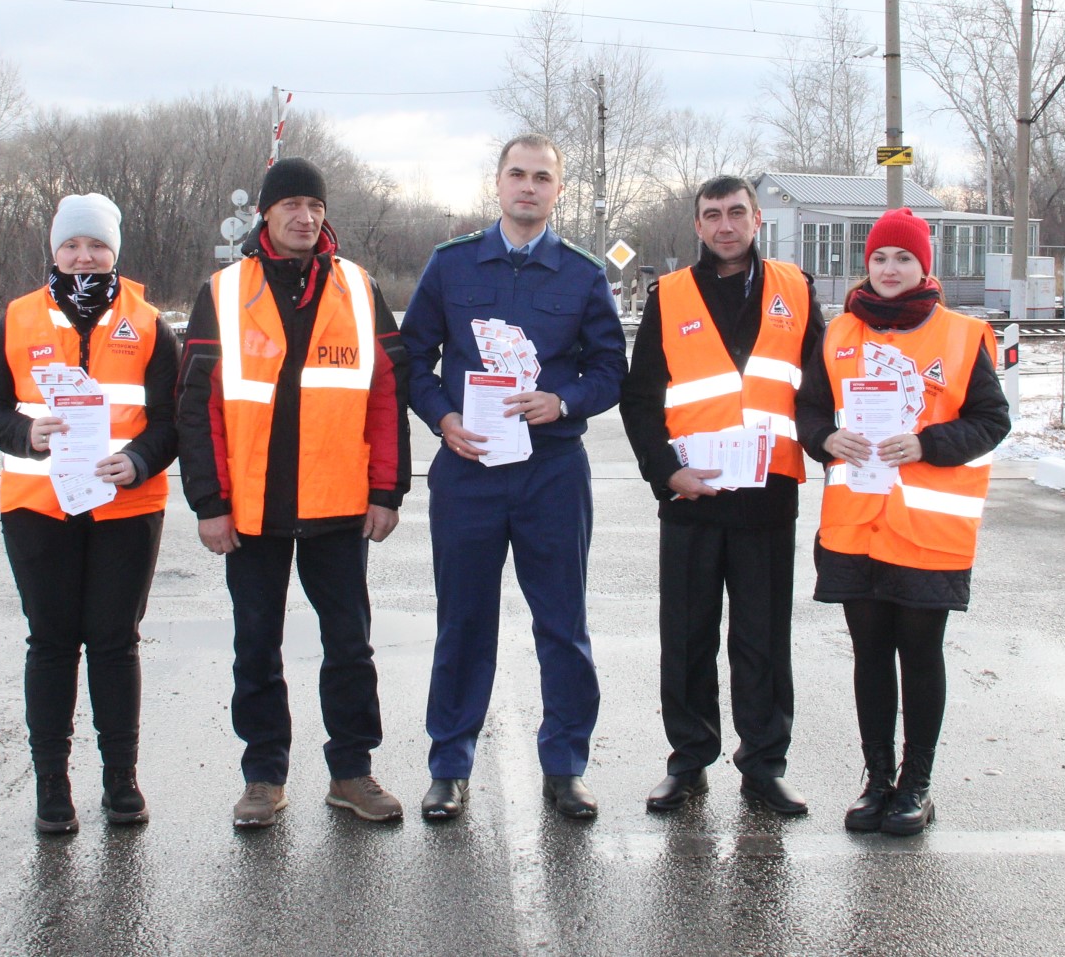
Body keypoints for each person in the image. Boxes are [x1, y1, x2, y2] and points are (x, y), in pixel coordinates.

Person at [176, 157, 413, 829]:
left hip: (340, 509)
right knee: (256, 645)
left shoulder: (360, 289)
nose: (304, 217)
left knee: (350, 645)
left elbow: (387, 394)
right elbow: (198, 408)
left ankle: (352, 771)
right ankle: (263, 776)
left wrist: (387, 489)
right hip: (251, 512)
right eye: (291, 206)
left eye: (314, 205)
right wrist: (209, 503)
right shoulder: (223, 292)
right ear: (266, 215)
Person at [399, 133, 628, 821]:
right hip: (469, 470)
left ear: (558, 189)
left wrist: (565, 401)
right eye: (517, 175)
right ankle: (450, 763)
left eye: (543, 178)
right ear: (497, 184)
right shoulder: (452, 266)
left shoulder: (584, 276)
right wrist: (442, 419)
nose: (529, 187)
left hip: (551, 470)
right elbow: (412, 360)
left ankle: (565, 764)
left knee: (562, 624)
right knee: (463, 621)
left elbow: (612, 370)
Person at [0, 192, 180, 834]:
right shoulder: (18, 318)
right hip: (38, 508)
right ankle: (52, 788)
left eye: (96, 246)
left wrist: (139, 461)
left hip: (126, 509)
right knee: (53, 644)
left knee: (115, 643)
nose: (83, 256)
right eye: (71, 245)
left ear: (114, 252)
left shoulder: (146, 324)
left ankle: (121, 783)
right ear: (54, 251)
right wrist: (23, 432)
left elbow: (173, 422)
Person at [796, 207, 1009, 836]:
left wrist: (928, 444)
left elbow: (991, 421)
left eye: (904, 259)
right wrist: (827, 439)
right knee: (869, 655)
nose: (890, 270)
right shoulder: (838, 335)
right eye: (881, 258)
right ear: (868, 265)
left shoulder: (962, 336)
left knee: (918, 655)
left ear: (924, 267)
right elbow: (809, 411)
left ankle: (917, 784)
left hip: (927, 531)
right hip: (855, 524)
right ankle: (877, 780)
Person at [620, 175, 823, 816]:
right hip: (692, 498)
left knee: (763, 640)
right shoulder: (670, 295)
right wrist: (665, 473)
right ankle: (689, 762)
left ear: (757, 219)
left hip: (767, 497)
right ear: (699, 226)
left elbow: (820, 388)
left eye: (738, 212)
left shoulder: (796, 289)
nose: (726, 225)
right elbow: (641, 398)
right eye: (714, 215)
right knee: (686, 638)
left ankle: (764, 765)